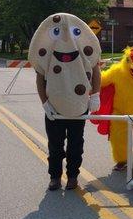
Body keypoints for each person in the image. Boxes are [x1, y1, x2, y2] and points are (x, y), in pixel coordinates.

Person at [28, 13, 102, 191]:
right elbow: (40, 78)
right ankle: (54, 177)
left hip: (78, 106)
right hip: (55, 107)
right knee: (55, 145)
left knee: (76, 145)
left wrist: (95, 95)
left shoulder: (83, 53)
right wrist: (45, 103)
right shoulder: (48, 56)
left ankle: (73, 176)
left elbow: (95, 71)